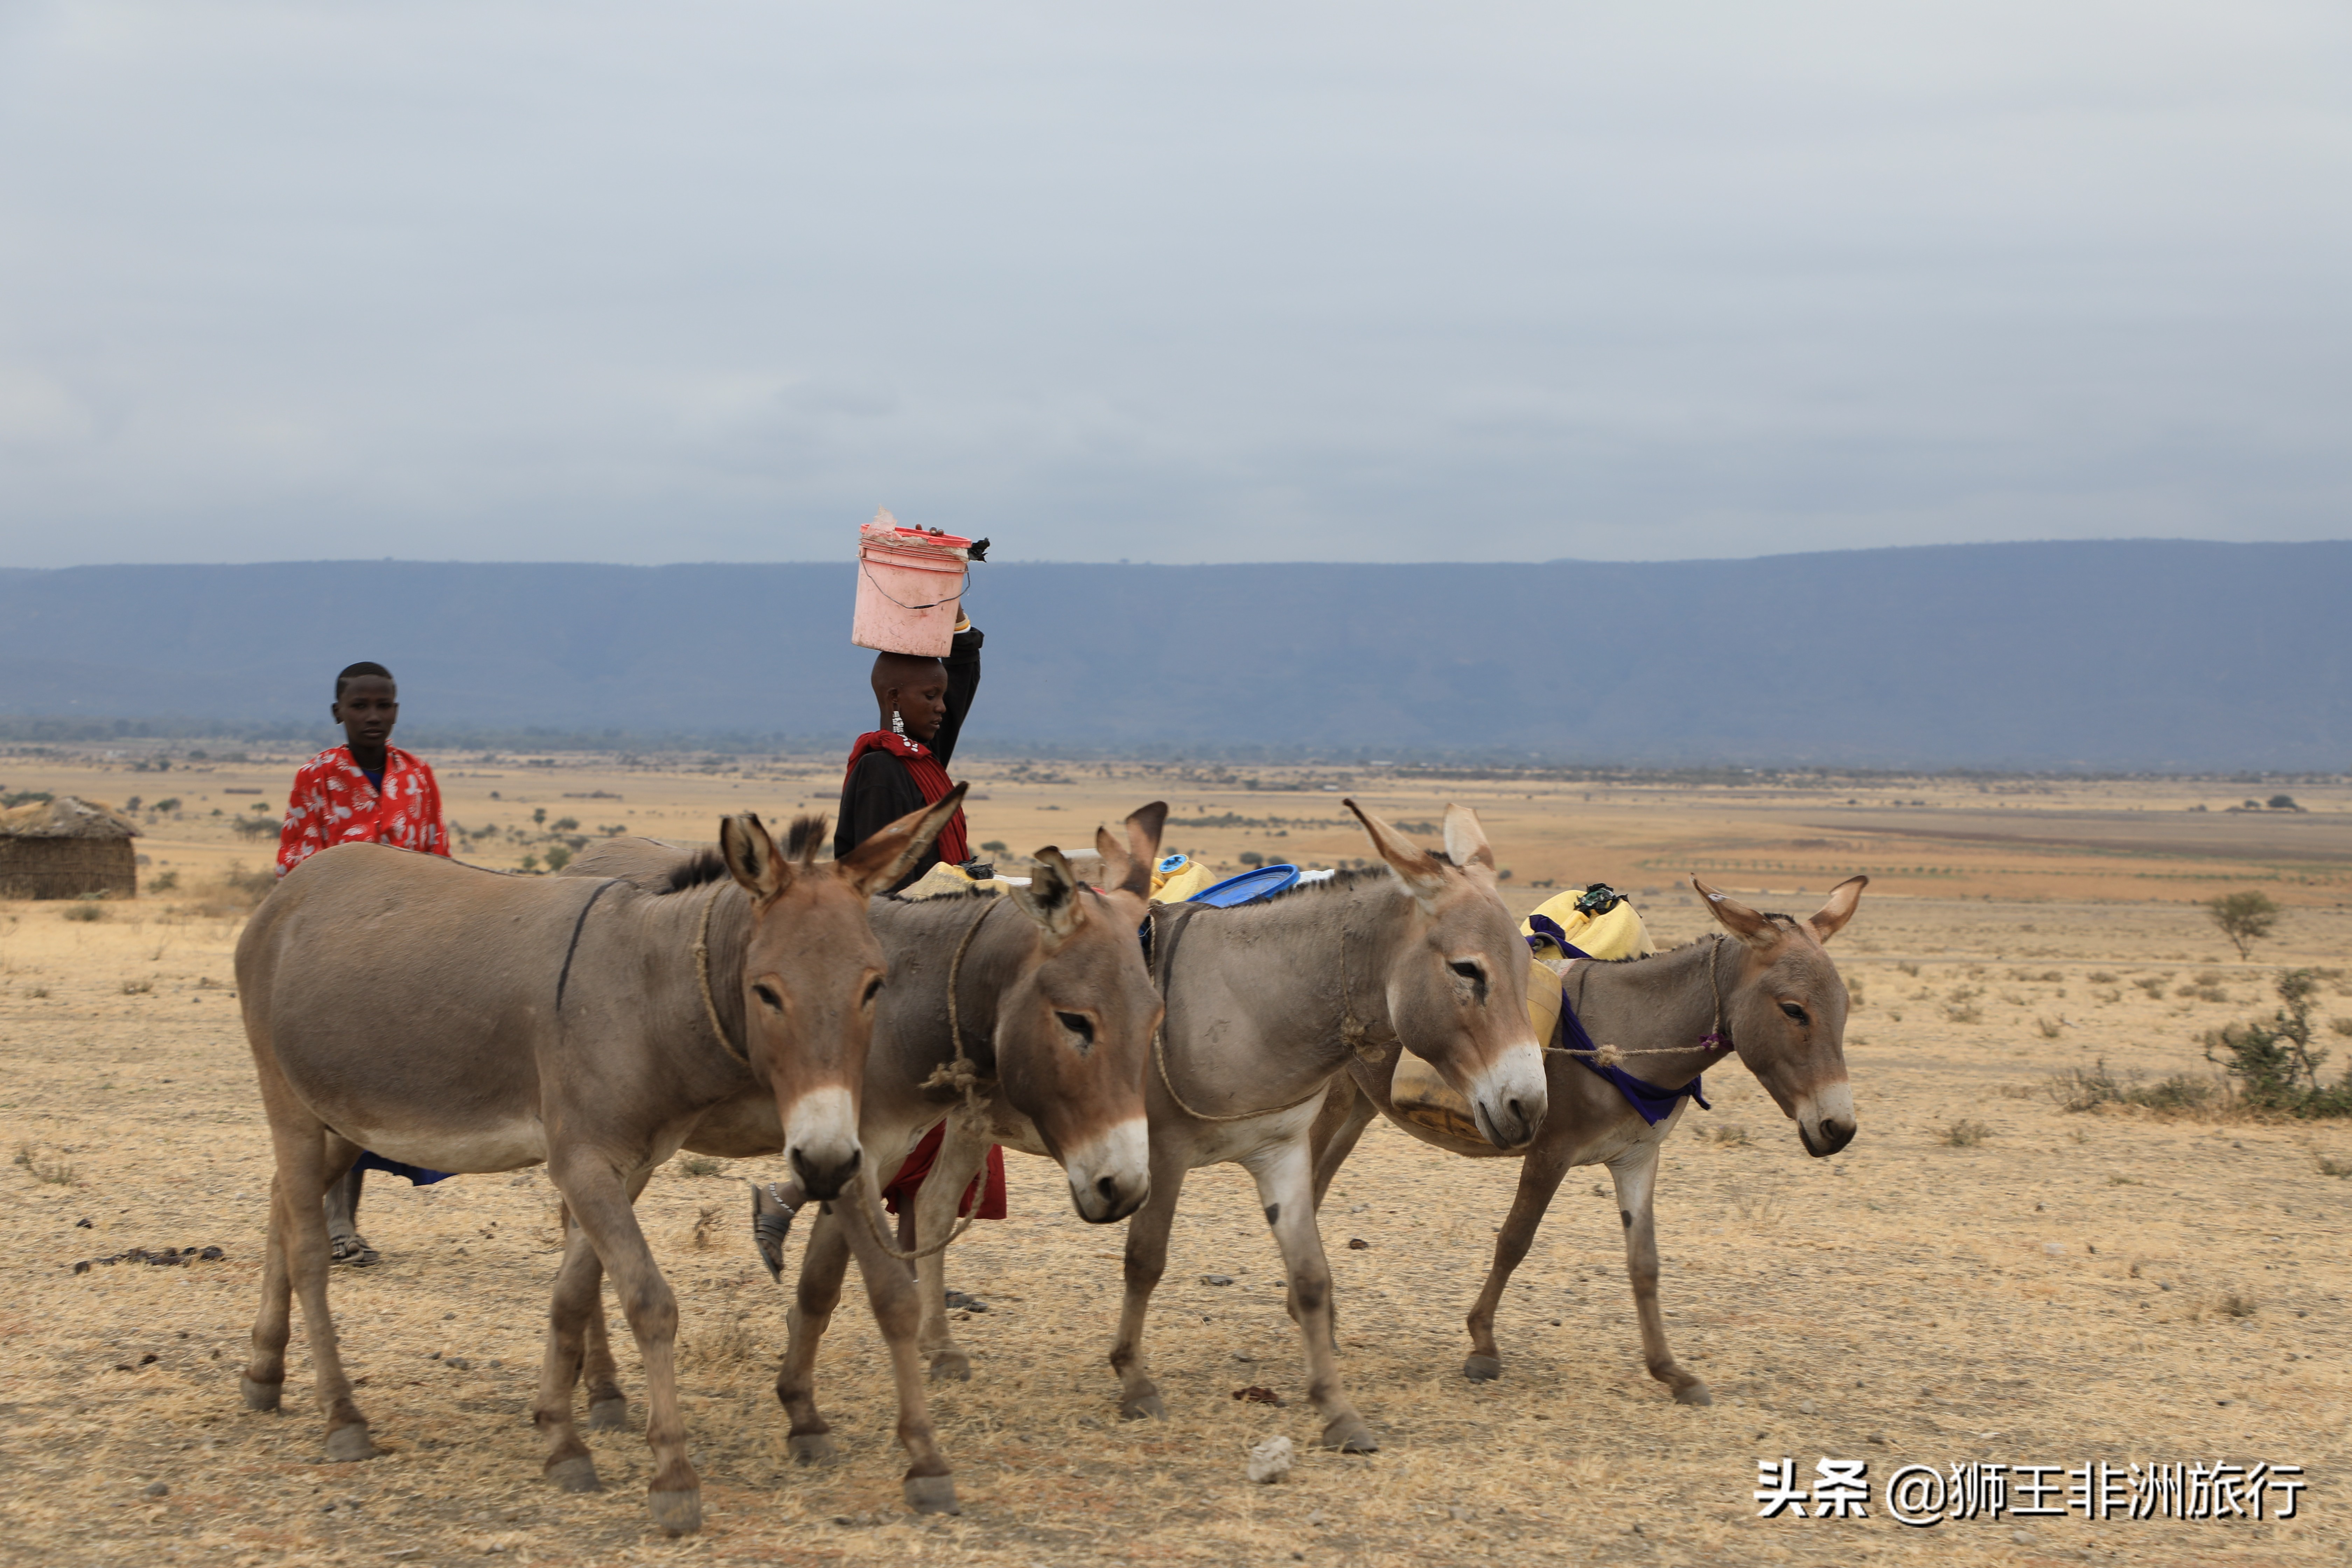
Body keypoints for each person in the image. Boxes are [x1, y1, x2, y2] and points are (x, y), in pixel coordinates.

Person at [751, 614, 1005, 1278]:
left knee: (942, 1132)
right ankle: (797, 1210)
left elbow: (958, 690)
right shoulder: (878, 770)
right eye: (930, 699)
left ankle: (921, 1285)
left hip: (939, 965)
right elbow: (878, 881)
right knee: (909, 1131)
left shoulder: (920, 763)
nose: (943, 709)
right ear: (896, 701)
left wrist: (956, 623)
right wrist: (954, 879)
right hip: (900, 970)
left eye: (943, 698)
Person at [275, 660, 454, 1266]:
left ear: (398, 710)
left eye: (385, 705)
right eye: (360, 706)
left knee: (386, 1090)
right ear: (338, 713)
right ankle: (336, 1223)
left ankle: (334, 1219)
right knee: (336, 1092)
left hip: (410, 958)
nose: (373, 716)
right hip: (338, 960)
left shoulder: (418, 777)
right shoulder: (317, 778)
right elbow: (296, 867)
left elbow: (439, 863)